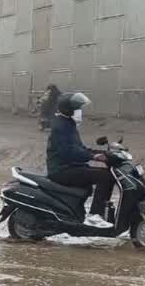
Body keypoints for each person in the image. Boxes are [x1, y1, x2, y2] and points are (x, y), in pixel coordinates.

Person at [46, 92, 113, 229]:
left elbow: (80, 148)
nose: (80, 111)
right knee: (105, 177)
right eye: (78, 108)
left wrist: (103, 153)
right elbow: (69, 152)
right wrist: (94, 157)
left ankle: (94, 214)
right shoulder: (61, 127)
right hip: (61, 170)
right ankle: (95, 216)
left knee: (106, 175)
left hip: (70, 167)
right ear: (68, 110)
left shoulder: (68, 124)